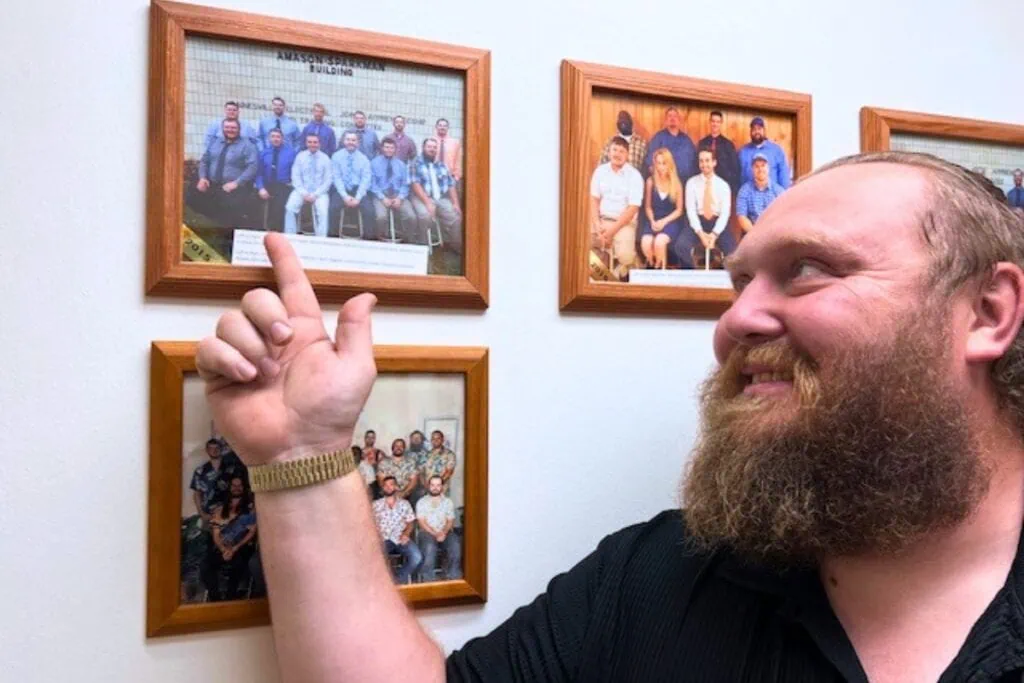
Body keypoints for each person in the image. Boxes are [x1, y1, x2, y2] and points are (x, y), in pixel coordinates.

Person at [195, 150, 1024, 681]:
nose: (734, 323)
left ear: (987, 311)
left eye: (807, 271)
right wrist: (304, 450)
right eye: (740, 285)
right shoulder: (663, 576)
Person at [188, 118, 259, 229]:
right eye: (227, 127)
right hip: (212, 184)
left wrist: (236, 183)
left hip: (233, 188)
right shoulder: (215, 142)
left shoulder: (247, 146)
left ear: (239, 129)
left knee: (228, 219)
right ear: (222, 128)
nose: (230, 130)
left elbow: (253, 167)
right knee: (193, 199)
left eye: (233, 128)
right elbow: (204, 160)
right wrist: (202, 178)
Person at [589, 136, 643, 280]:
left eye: (622, 151)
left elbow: (632, 209)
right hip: (601, 221)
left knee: (625, 256)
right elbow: (594, 200)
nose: (617, 154)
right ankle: (604, 276)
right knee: (583, 243)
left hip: (624, 223)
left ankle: (629, 265)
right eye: (615, 150)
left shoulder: (635, 176)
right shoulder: (600, 171)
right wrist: (597, 225)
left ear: (627, 155)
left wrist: (611, 232)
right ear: (609, 152)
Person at [678, 146, 735, 267]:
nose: (704, 164)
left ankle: (722, 279)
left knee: (732, 252)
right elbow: (691, 211)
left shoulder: (723, 185)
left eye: (707, 160)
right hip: (697, 221)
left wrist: (714, 234)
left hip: (717, 222)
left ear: (714, 162)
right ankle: (692, 277)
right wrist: (700, 234)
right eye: (701, 161)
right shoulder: (691, 183)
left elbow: (725, 214)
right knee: (681, 246)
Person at [410, 137, 463, 254]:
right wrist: (428, 203)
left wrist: (456, 203)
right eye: (429, 147)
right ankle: (422, 247)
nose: (432, 149)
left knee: (456, 216)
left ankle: (455, 246)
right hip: (421, 197)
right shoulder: (415, 163)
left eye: (434, 147)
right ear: (423, 148)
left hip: (440, 198)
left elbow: (450, 184)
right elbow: (415, 184)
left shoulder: (441, 165)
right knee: (425, 216)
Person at [640, 148, 684, 269]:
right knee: (646, 243)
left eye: (664, 163)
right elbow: (648, 207)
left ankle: (660, 269)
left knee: (659, 242)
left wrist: (664, 222)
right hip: (654, 219)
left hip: (670, 220)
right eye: (658, 163)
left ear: (669, 164)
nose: (661, 167)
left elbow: (679, 210)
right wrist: (653, 220)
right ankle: (653, 264)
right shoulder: (650, 181)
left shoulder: (677, 183)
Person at [369, 137, 417, 242]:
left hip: (398, 195)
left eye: (391, 148)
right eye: (386, 147)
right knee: (381, 217)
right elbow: (372, 184)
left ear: (395, 149)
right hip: (381, 196)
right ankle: (380, 238)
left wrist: (400, 198)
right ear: (382, 148)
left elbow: (405, 184)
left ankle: (406, 240)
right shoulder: (374, 163)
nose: (389, 150)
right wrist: (382, 198)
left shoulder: (401, 165)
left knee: (411, 216)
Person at [327, 131, 374, 239]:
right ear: (344, 141)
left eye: (353, 140)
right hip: (341, 190)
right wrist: (344, 196)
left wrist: (358, 198)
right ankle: (333, 238)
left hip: (358, 190)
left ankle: (369, 240)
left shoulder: (364, 159)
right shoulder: (336, 156)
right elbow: (336, 178)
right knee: (333, 209)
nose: (350, 142)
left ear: (358, 143)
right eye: (348, 140)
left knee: (370, 211)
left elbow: (365, 180)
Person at [284, 133, 331, 237]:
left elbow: (328, 180)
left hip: (319, 193)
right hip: (301, 191)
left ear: (319, 144)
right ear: (306, 143)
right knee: (290, 207)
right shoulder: (300, 157)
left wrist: (315, 194)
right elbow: (295, 177)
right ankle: (290, 236)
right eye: (310, 142)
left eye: (315, 142)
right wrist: (304, 193)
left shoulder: (325, 158)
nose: (312, 144)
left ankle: (321, 239)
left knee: (323, 212)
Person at [254, 128, 297, 232]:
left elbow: (296, 171)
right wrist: (260, 188)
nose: (275, 139)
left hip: (283, 185)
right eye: (273, 136)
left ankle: (276, 232)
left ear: (282, 138)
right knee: (252, 204)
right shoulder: (263, 153)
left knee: (279, 207)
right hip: (266, 185)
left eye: (278, 137)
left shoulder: (291, 153)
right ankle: (258, 232)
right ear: (269, 138)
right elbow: (258, 173)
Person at [736, 152, 787, 234]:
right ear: (752, 169)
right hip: (751, 233)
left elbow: (783, 217)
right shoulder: (744, 190)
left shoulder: (779, 191)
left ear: (768, 168)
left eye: (763, 165)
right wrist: (755, 235)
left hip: (773, 233)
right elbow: (741, 217)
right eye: (756, 166)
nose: (760, 169)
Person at [738, 115, 792, 189]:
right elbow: (738, 177)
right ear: (750, 132)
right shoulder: (743, 152)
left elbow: (784, 176)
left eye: (759, 129)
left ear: (764, 130)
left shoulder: (776, 150)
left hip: (772, 196)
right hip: (749, 196)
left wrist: (784, 196)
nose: (757, 131)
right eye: (754, 129)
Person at [697, 110, 741, 194]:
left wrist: (730, 187)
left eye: (718, 121)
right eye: (713, 121)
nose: (715, 124)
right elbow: (697, 164)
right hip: (704, 185)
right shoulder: (702, 143)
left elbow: (735, 168)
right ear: (709, 122)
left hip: (723, 186)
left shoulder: (728, 145)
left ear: (721, 123)